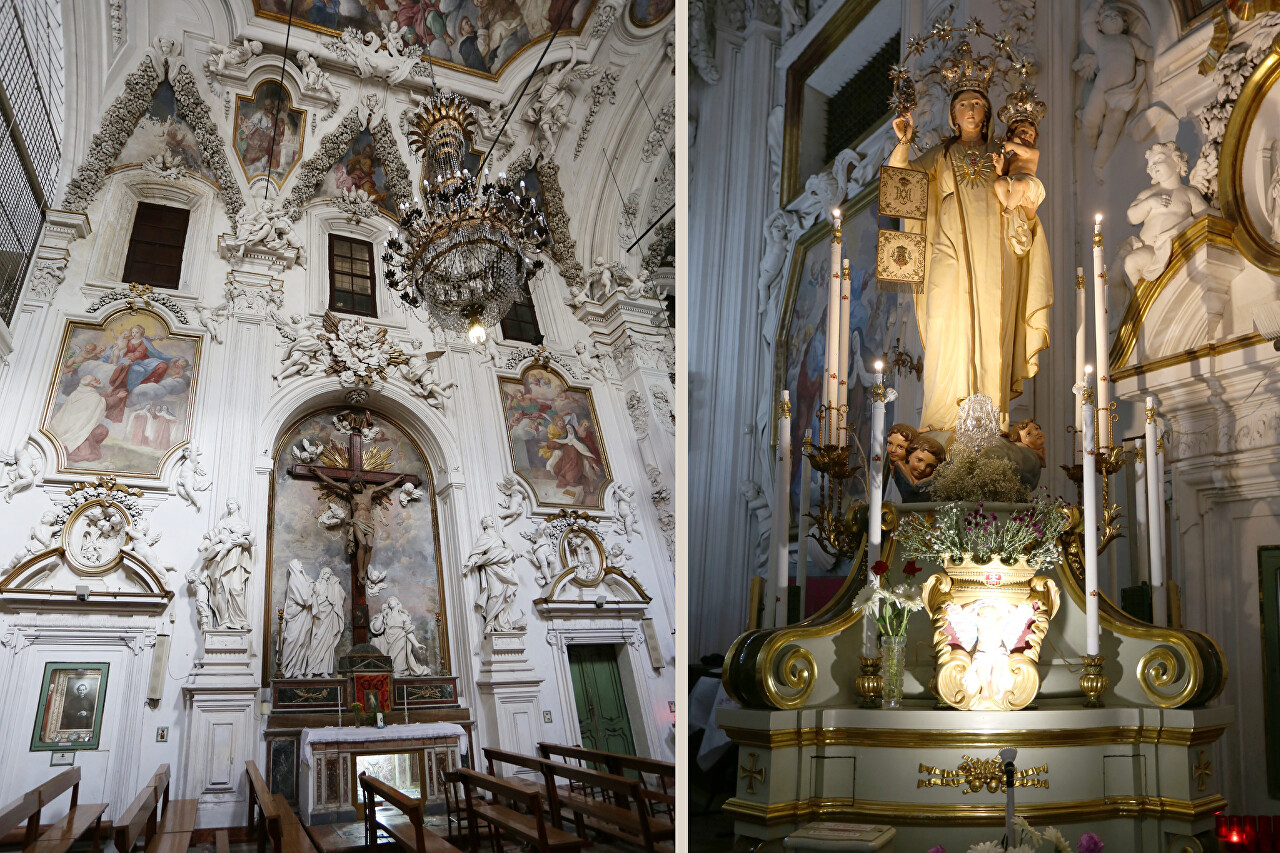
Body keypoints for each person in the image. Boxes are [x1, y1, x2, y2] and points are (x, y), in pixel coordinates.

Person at [888, 41, 1052, 431]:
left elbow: (1026, 194)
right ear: (953, 115)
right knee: (947, 323)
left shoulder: (1002, 154)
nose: (971, 111)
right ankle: (945, 421)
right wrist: (904, 142)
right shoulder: (939, 156)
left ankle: (988, 423)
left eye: (977, 104)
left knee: (992, 327)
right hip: (946, 253)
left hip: (995, 256)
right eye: (964, 104)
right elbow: (901, 188)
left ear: (988, 113)